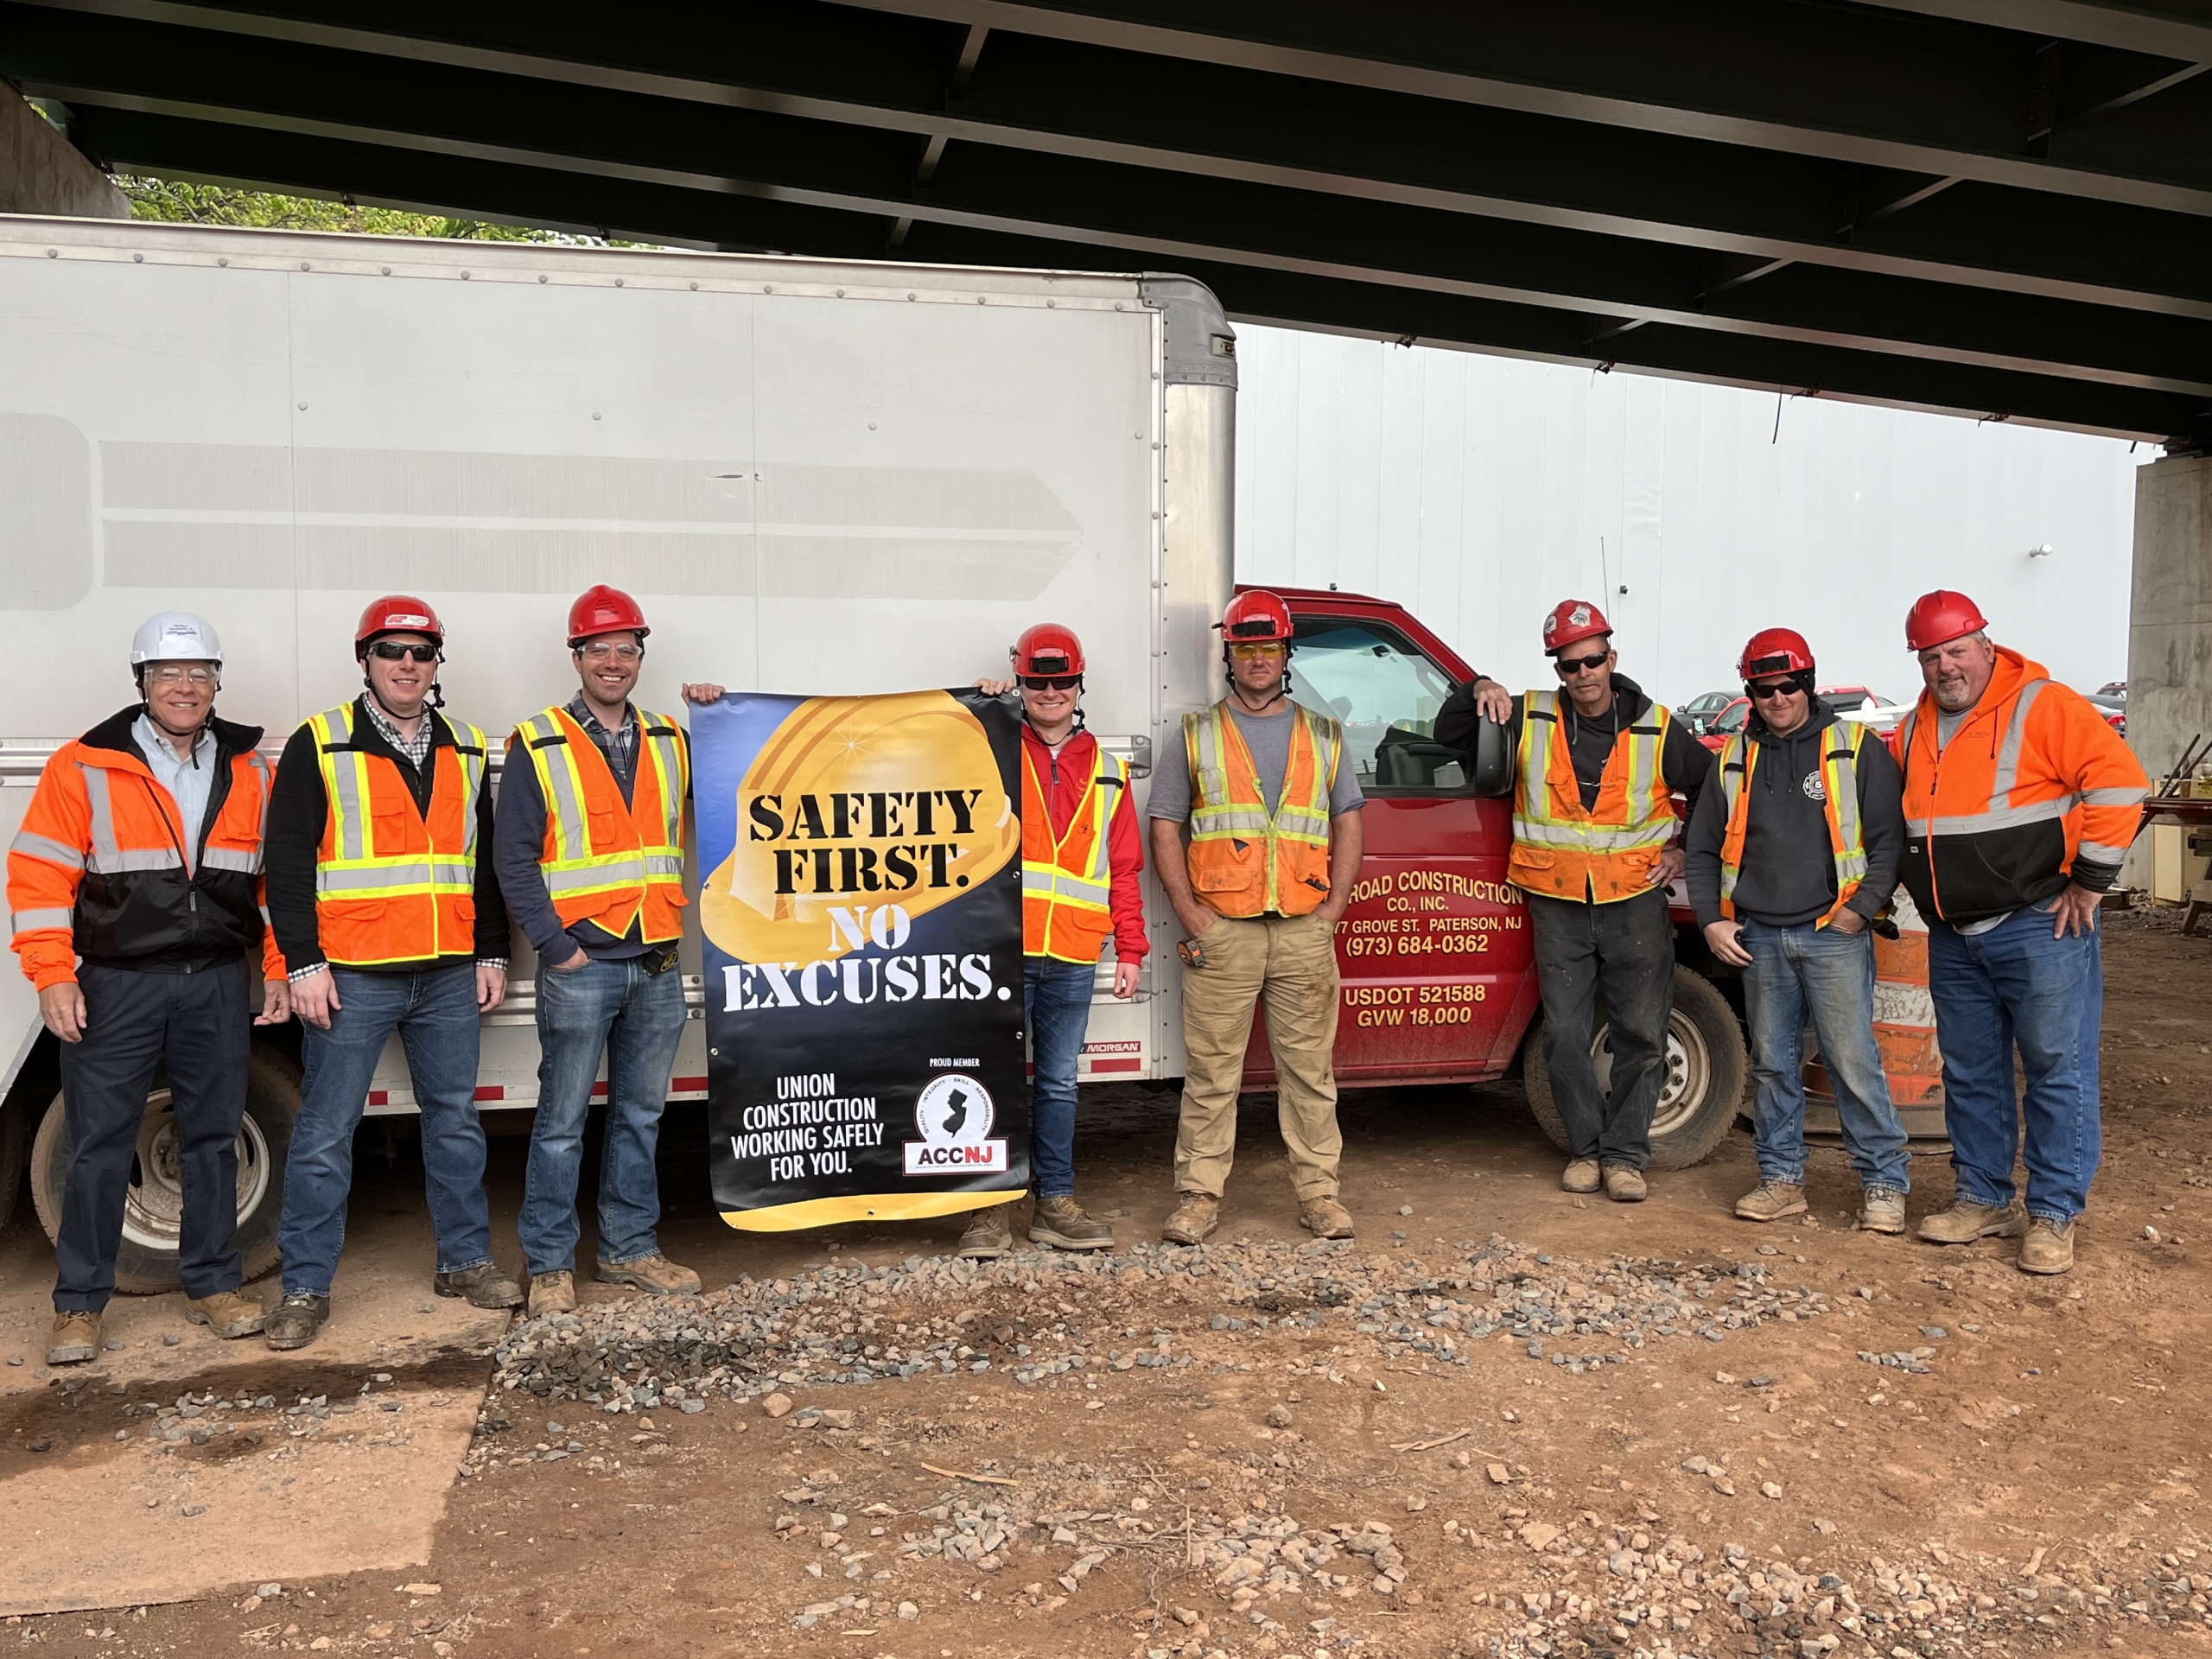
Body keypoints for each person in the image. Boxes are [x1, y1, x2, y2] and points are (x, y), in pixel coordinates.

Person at [9, 613, 289, 1363]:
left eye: (199, 673)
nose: (185, 686)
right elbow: (39, 877)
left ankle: (214, 1284)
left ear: (217, 682)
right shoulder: (86, 764)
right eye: (169, 673)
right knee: (98, 1145)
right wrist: (52, 975)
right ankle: (79, 1306)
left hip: (216, 985)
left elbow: (269, 884)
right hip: (116, 984)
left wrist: (273, 968)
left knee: (211, 1142)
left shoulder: (250, 767)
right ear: (142, 683)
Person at [263, 596, 520, 1349]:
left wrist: (493, 951)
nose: (407, 664)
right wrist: (303, 962)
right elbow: (285, 864)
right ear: (365, 660)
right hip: (354, 974)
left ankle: (465, 1262)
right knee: (323, 1133)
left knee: (455, 1124)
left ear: (436, 664)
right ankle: (305, 1288)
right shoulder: (322, 741)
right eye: (391, 651)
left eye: (421, 652)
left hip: (445, 973)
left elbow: (484, 864)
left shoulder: (467, 745)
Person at [1895, 590, 2147, 1274]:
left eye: (1955, 650)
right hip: (1954, 934)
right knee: (1972, 1073)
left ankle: (2054, 1212)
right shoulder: (1914, 727)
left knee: (2056, 1070)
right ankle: (1984, 1197)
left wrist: (2089, 882)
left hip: (2039, 924)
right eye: (1930, 656)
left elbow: (2122, 786)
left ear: (1984, 644)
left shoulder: (2044, 704)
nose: (1945, 667)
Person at [495, 585, 726, 1317]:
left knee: (640, 1116)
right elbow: (514, 860)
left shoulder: (669, 737)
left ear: (639, 658)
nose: (614, 661)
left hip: (656, 960)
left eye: (627, 649)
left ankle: (630, 1250)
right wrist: (556, 949)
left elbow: (734, 792)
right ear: (577, 656)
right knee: (562, 1121)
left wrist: (717, 718)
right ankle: (551, 1264)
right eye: (600, 648)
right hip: (582, 965)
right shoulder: (539, 741)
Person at [1435, 600, 1711, 1200]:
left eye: (1591, 661)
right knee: (1563, 1035)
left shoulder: (1659, 728)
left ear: (1612, 658)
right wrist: (1477, 688)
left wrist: (1687, 850)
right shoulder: (1528, 717)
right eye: (1568, 666)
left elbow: (1713, 787)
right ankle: (1586, 1151)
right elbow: (1448, 735)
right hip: (1557, 903)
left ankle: (1626, 1157)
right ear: (1557, 669)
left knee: (1642, 1033)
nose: (1582, 674)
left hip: (1635, 902)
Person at [1147, 590, 1363, 1244]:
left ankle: (1320, 1196)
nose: (1259, 660)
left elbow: (1347, 823)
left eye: (1270, 648)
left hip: (1303, 931)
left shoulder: (1323, 735)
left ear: (1286, 653)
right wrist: (1190, 912)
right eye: (1246, 649)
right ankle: (1198, 1198)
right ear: (1230, 657)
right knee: (1213, 1077)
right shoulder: (1195, 733)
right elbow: (1164, 826)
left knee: (1310, 1074)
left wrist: (1332, 912)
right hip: (1224, 933)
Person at [1687, 628, 1910, 1231]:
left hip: (1833, 934)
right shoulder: (1733, 758)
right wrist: (1711, 919)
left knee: (1852, 1062)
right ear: (1751, 692)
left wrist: (1860, 908)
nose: (1778, 698)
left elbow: (1891, 841)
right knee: (1774, 1065)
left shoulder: (1856, 748)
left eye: (1789, 686)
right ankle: (1781, 1180)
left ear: (1808, 685)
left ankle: (1884, 1184)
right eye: (1764, 689)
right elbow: (1702, 846)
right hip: (1759, 937)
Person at [960, 625, 1146, 1258]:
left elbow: (1123, 870)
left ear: (1078, 683)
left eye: (1060, 679)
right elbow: (935, 762)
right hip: (1003, 950)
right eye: (1035, 680)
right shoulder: (993, 752)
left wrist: (1133, 948)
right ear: (1021, 681)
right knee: (994, 1079)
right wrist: (986, 706)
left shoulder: (1111, 773)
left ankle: (1054, 1202)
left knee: (1059, 1083)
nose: (1049, 691)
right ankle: (989, 1210)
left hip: (1072, 953)